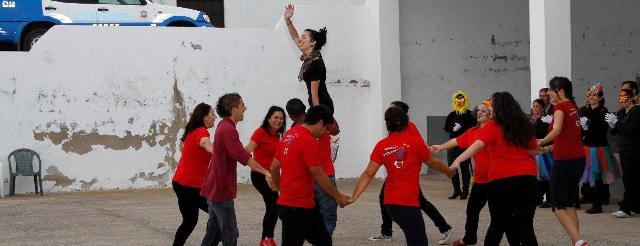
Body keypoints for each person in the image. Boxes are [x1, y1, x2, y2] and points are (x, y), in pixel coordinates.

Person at [349, 107, 455, 246]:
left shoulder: (382, 145)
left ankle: (387, 233)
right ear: (406, 123)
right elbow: (433, 162)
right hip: (408, 203)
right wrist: (448, 171)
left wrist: (354, 196)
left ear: (387, 124)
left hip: (390, 204)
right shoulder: (415, 143)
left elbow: (368, 173)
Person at [452, 92, 539, 246]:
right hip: (527, 179)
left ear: (498, 107)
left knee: (498, 224)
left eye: (492, 105)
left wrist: (458, 159)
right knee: (525, 226)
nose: (490, 109)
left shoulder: (494, 124)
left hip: (501, 180)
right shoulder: (525, 124)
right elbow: (533, 150)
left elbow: (479, 144)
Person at [432, 100, 517, 246]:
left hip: (497, 179)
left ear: (491, 113)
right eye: (478, 110)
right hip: (480, 180)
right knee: (472, 210)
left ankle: (515, 241)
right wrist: (440, 147)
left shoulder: (498, 129)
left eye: (484, 110)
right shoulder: (472, 132)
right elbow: (456, 140)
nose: (480, 112)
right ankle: (469, 238)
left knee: (500, 215)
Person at [199, 93, 273, 246]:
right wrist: (266, 172)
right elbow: (242, 157)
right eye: (242, 105)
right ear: (233, 109)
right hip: (220, 190)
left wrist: (243, 152)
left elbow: (236, 152)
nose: (245, 108)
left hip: (214, 188)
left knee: (213, 234)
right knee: (230, 234)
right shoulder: (228, 129)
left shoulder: (224, 126)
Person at [270, 105, 349, 246]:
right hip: (296, 207)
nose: (325, 132)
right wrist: (338, 196)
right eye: (326, 128)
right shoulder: (309, 140)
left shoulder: (289, 134)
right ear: (320, 122)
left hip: (304, 205)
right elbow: (319, 175)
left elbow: (274, 167)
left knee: (324, 241)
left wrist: (278, 187)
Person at [537, 77, 590, 246]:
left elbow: (558, 129)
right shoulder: (573, 107)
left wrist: (541, 142)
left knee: (557, 205)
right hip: (577, 159)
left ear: (560, 91)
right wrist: (551, 147)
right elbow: (569, 136)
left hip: (565, 161)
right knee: (568, 203)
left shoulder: (560, 107)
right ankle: (576, 241)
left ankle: (579, 241)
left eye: (550, 91)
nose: (548, 94)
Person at [172, 103, 216, 246]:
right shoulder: (202, 132)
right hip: (190, 187)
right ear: (204, 117)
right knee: (219, 215)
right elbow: (206, 144)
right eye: (212, 114)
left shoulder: (191, 131)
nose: (214, 117)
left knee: (189, 221)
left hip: (180, 183)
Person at [244, 106, 287, 246]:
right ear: (268, 118)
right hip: (260, 175)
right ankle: (267, 238)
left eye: (281, 118)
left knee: (272, 206)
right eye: (275, 117)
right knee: (275, 204)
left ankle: (266, 239)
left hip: (272, 175)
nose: (278, 120)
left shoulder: (278, 135)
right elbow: (246, 150)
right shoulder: (260, 132)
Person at [578, 84, 620, 214]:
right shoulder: (584, 110)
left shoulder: (604, 111)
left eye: (594, 95)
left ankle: (598, 204)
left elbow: (602, 129)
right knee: (589, 177)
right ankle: (592, 199)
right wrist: (583, 129)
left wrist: (588, 126)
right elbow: (580, 130)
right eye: (589, 95)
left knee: (598, 178)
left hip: (599, 148)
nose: (591, 97)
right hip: (587, 147)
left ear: (600, 98)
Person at [284, 4, 334, 114]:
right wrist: (288, 20)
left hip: (322, 107)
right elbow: (294, 37)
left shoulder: (315, 63)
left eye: (304, 38)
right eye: (301, 37)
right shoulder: (310, 57)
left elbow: (315, 94)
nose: (300, 40)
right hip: (316, 105)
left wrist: (316, 117)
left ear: (313, 43)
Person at [608, 88, 640, 218]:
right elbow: (616, 132)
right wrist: (612, 125)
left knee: (630, 178)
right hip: (624, 149)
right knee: (630, 178)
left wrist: (618, 123)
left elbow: (632, 130)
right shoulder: (622, 112)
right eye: (620, 97)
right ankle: (635, 206)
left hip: (634, 150)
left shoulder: (636, 111)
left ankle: (625, 207)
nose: (622, 100)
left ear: (632, 98)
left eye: (625, 97)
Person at [444, 90, 477, 200]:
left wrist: (463, 128)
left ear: (465, 100)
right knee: (452, 167)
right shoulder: (451, 115)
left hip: (465, 145)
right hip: (453, 145)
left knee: (464, 168)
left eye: (461, 99)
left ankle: (465, 190)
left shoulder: (469, 114)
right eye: (457, 100)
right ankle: (456, 190)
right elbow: (447, 129)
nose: (459, 102)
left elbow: (474, 128)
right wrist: (454, 129)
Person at [531, 98, 553, 208]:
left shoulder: (545, 120)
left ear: (542, 108)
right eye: (533, 106)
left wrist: (537, 122)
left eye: (537, 106)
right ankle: (538, 197)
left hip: (543, 152)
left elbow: (541, 134)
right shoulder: (531, 120)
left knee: (546, 176)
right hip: (534, 151)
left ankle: (549, 199)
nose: (535, 108)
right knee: (537, 177)